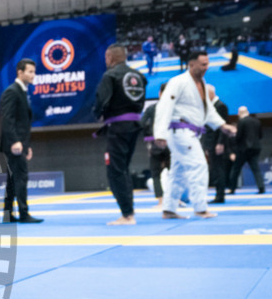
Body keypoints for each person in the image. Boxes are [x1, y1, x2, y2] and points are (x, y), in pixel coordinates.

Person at [153, 50, 237, 219]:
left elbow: (209, 110)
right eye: (203, 64)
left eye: (207, 63)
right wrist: (160, 133)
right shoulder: (178, 82)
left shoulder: (202, 84)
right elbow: (164, 106)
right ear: (192, 64)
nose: (207, 67)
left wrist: (222, 125)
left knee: (178, 173)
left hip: (190, 132)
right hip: (180, 131)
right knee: (199, 166)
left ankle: (169, 209)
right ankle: (200, 208)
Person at [93, 44, 147, 225]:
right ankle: (128, 211)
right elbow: (140, 102)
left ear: (110, 57)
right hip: (134, 125)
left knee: (115, 171)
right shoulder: (139, 76)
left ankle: (127, 214)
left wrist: (98, 114)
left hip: (117, 127)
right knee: (123, 169)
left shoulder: (110, 75)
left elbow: (102, 101)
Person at [0, 58, 43, 223]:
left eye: (34, 71)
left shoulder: (22, 91)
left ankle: (7, 213)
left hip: (19, 142)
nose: (33, 75)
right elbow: (7, 119)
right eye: (30, 72)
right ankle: (24, 213)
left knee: (12, 179)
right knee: (21, 177)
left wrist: (27, 146)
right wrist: (15, 142)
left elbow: (22, 122)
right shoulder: (12, 91)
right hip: (13, 143)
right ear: (20, 72)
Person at [140, 84, 170, 206]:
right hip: (171, 142)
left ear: (159, 93)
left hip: (156, 143)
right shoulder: (173, 108)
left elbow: (142, 123)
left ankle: (161, 200)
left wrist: (149, 137)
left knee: (156, 173)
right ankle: (174, 198)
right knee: (174, 172)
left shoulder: (152, 108)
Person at [229, 106, 265, 195]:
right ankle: (261, 187)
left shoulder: (242, 121)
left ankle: (232, 188)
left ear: (239, 113)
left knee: (236, 168)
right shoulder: (257, 121)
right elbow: (260, 135)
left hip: (244, 149)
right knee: (255, 168)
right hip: (256, 148)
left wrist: (235, 147)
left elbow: (239, 136)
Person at [211, 117, 236, 204]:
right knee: (227, 171)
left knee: (230, 171)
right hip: (227, 153)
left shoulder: (225, 133)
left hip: (229, 153)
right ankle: (230, 188)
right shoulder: (225, 132)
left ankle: (230, 188)